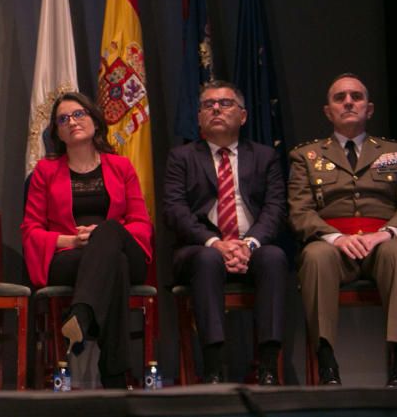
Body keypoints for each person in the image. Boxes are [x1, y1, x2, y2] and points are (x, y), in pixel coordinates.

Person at [289, 74, 397, 386]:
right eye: (340, 98)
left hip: (383, 241)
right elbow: (300, 211)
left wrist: (385, 233)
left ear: (370, 109)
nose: (349, 102)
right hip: (333, 245)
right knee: (315, 257)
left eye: (356, 96)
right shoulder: (306, 156)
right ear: (328, 111)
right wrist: (336, 238)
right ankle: (326, 361)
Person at [21, 92, 153, 389]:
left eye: (79, 114)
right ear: (57, 132)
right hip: (69, 256)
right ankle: (114, 375)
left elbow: (141, 224)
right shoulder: (45, 171)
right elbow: (31, 230)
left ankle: (81, 312)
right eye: (63, 119)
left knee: (108, 232)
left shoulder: (121, 167)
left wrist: (100, 236)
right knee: (114, 262)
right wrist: (73, 239)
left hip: (122, 247)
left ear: (94, 119)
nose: (72, 122)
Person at [162, 80, 288, 385]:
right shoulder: (182, 157)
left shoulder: (263, 156)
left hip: (252, 247)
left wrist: (249, 244)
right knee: (208, 260)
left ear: (243, 116)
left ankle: (268, 365)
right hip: (199, 249)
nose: (216, 108)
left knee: (274, 257)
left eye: (225, 103)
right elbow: (174, 210)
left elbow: (275, 208)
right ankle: (215, 367)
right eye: (208, 105)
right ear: (199, 117)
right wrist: (216, 243)